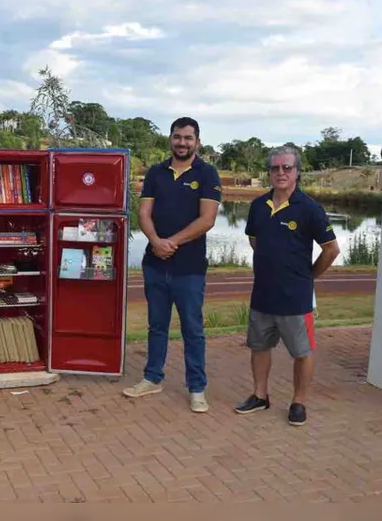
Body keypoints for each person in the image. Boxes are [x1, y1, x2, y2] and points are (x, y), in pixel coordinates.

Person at [235, 146, 340, 426]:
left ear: (297, 172)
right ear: (269, 171)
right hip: (263, 295)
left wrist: (309, 277)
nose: (280, 172)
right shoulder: (258, 206)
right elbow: (254, 240)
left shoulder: (309, 209)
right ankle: (260, 396)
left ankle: (298, 402)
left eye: (287, 168)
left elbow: (331, 249)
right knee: (259, 346)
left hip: (295, 298)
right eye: (275, 168)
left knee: (302, 352)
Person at [123, 117, 222, 413]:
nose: (182, 142)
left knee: (193, 329)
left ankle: (197, 388)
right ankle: (152, 378)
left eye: (188, 138)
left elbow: (207, 219)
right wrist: (155, 241)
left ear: (197, 142)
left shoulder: (207, 173)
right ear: (170, 139)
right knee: (157, 326)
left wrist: (171, 243)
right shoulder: (156, 172)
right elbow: (143, 213)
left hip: (189, 268)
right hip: (155, 265)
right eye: (177, 137)